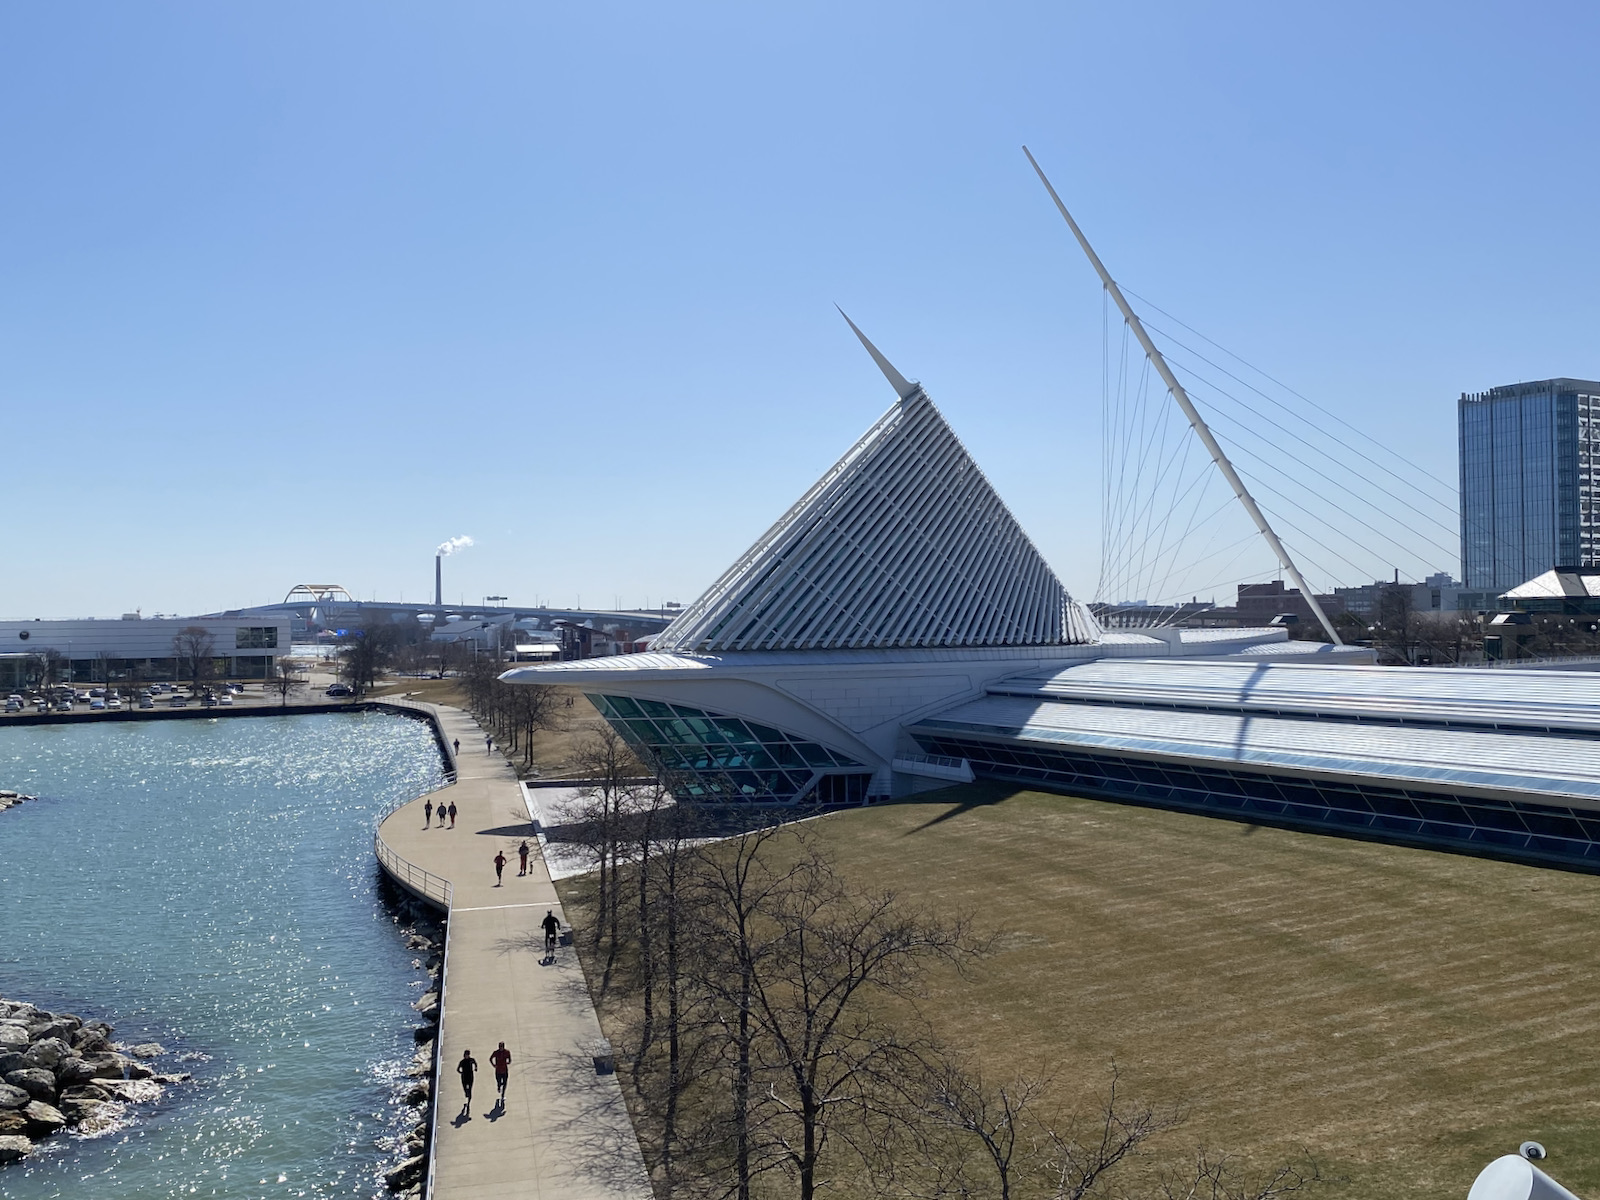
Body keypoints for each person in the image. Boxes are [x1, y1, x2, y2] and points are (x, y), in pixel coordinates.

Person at [457, 1049, 479, 1113]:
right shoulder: (462, 1062)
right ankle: (466, 1094)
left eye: (468, 1055)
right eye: (466, 1055)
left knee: (470, 1090)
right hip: (464, 1077)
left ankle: (468, 1103)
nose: (467, 1056)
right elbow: (458, 1069)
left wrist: (476, 1068)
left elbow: (475, 1064)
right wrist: (461, 1073)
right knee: (465, 1090)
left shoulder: (471, 1060)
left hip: (470, 1076)